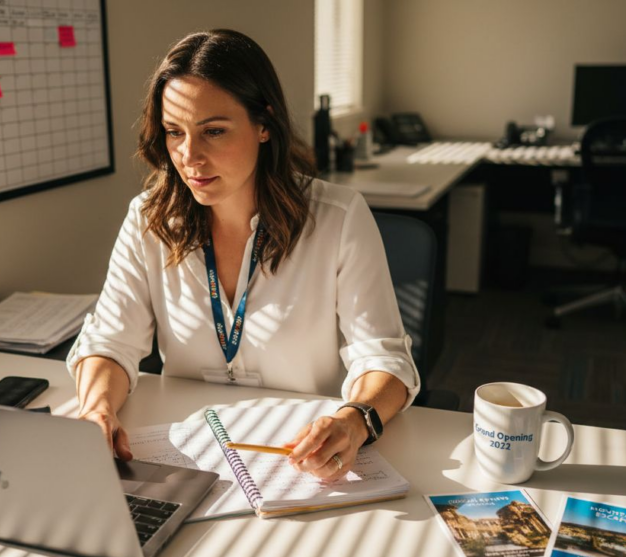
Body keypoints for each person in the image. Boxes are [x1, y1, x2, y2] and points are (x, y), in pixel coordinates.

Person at [68, 29, 419, 480]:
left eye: (213, 131)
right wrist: (96, 409)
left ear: (264, 124)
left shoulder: (338, 218)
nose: (189, 156)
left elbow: (385, 359)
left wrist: (355, 420)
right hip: (191, 459)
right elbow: (110, 342)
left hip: (300, 461)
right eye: (175, 132)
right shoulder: (149, 219)